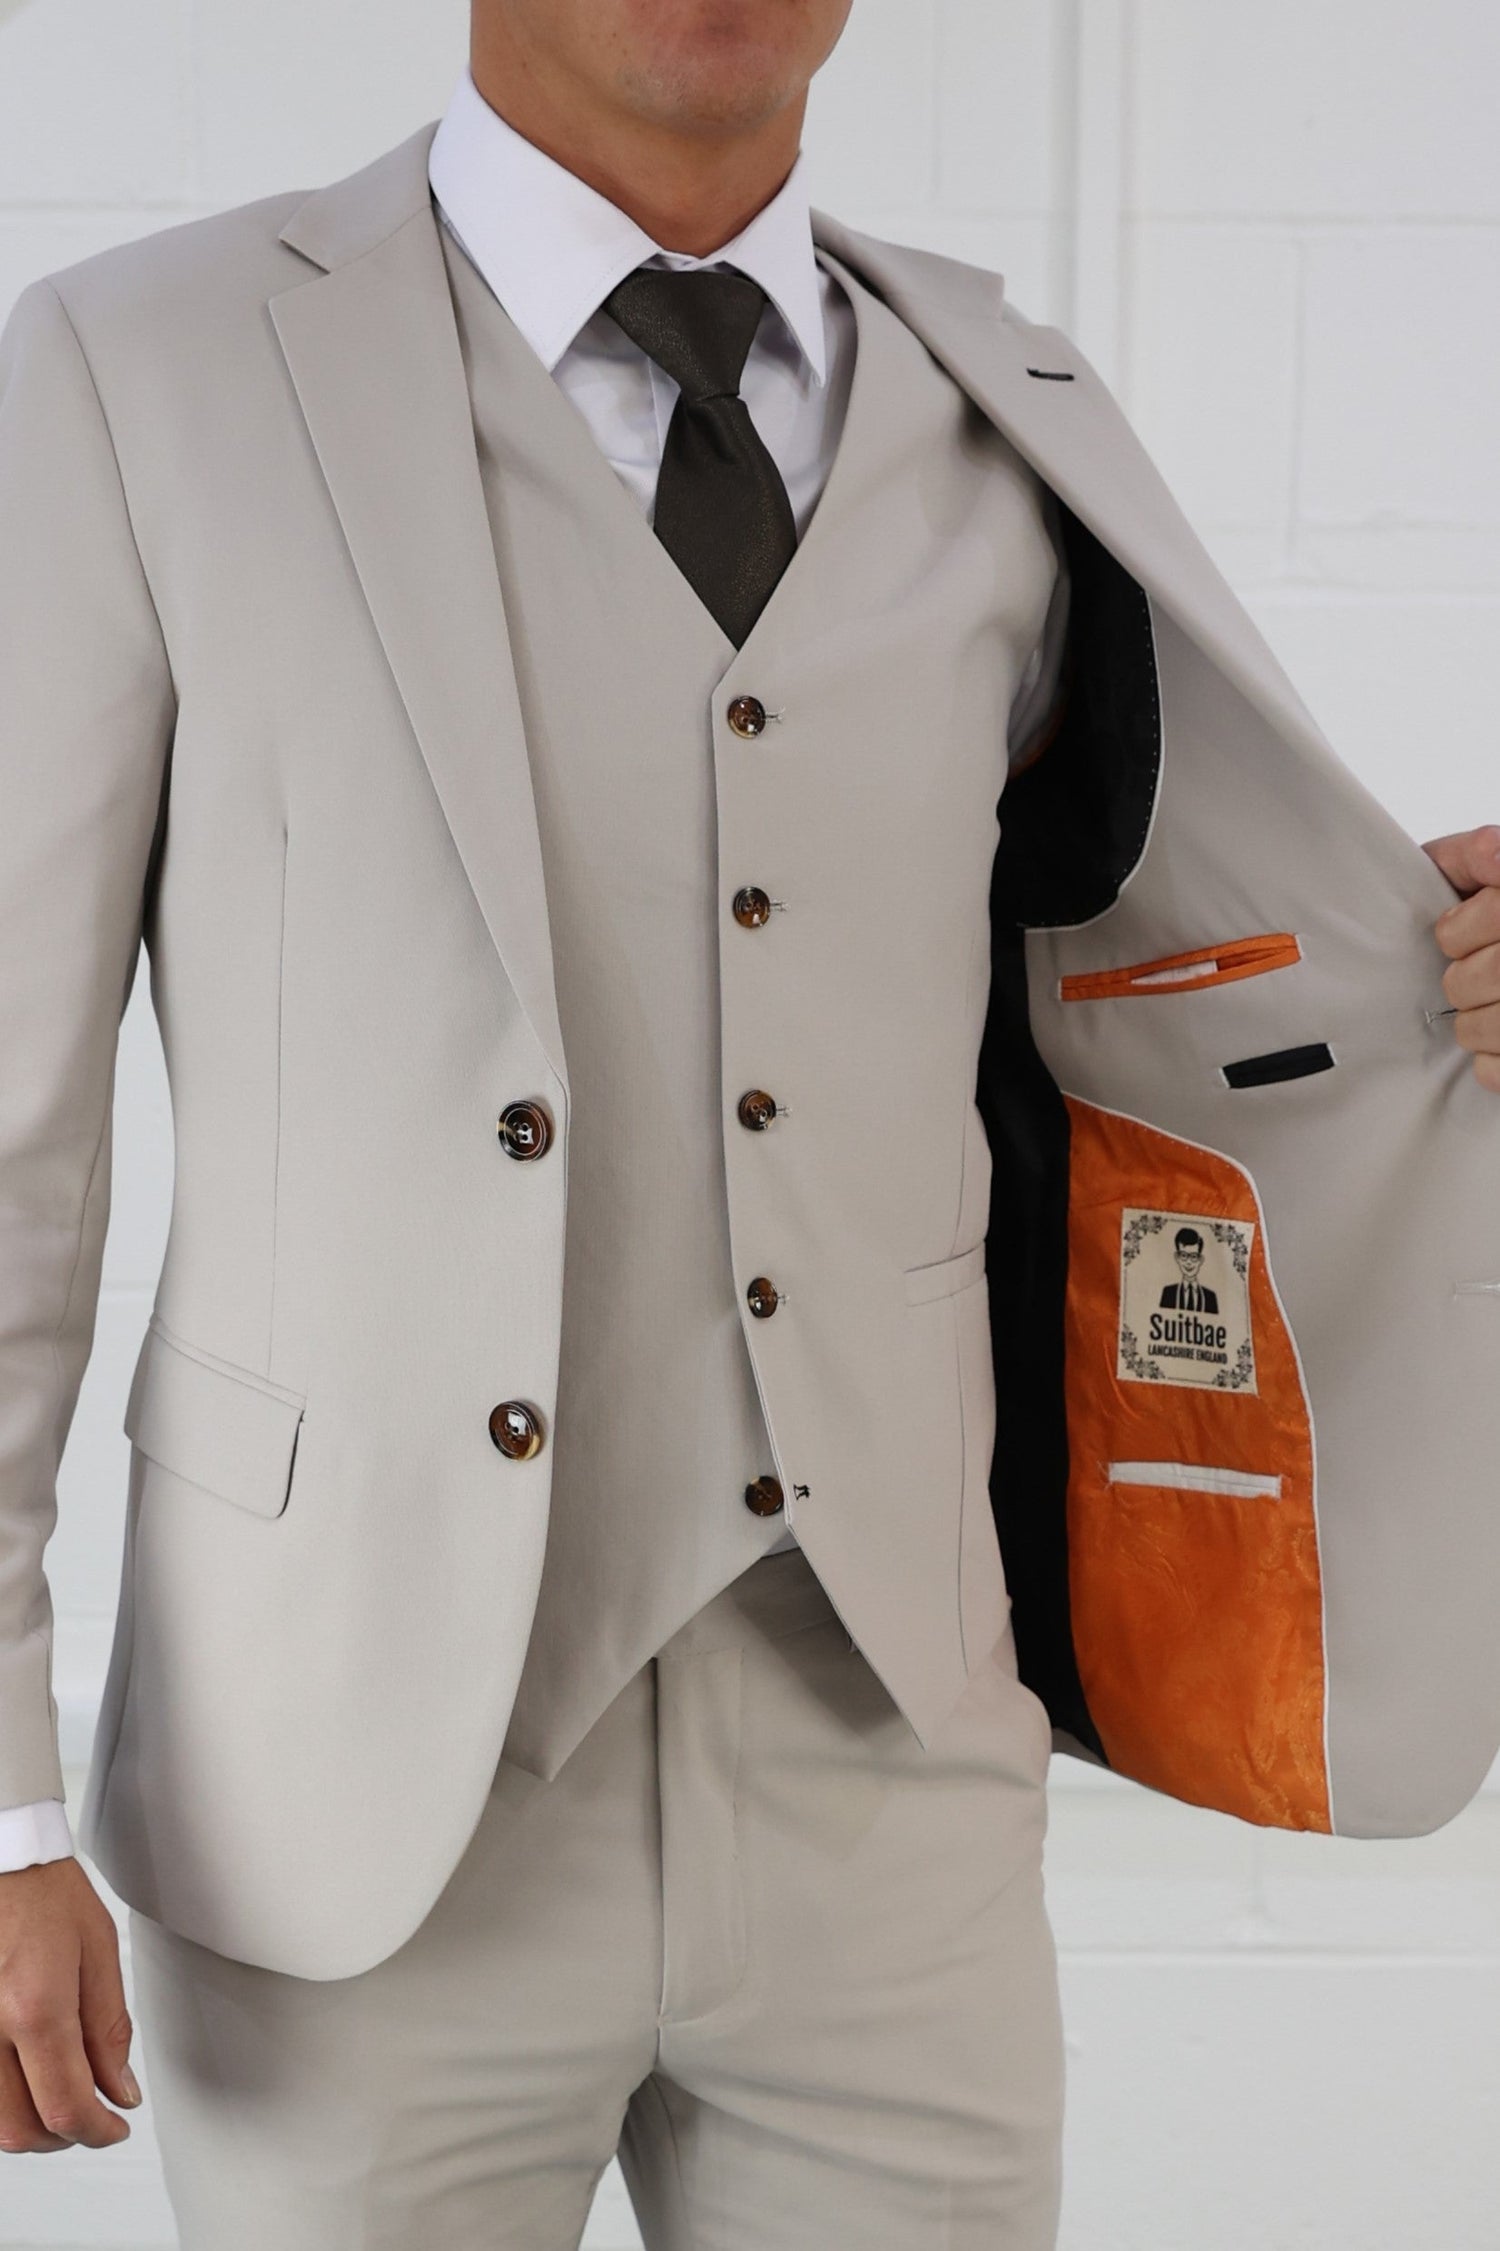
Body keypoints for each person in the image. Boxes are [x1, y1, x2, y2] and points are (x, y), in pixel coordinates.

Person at [2, 4, 1498, 2244]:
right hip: (352, 1787)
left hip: (898, 1776)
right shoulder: (142, 372)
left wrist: (1431, 969)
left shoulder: (1009, 408)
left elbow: (1171, 1006)